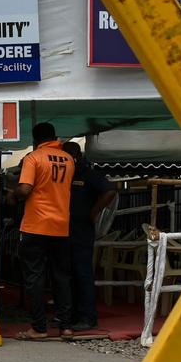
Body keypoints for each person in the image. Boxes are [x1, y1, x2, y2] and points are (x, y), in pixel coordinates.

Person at [6, 122, 75, 340]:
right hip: (61, 226)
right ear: (54, 136)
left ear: (35, 140)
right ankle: (66, 327)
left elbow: (25, 189)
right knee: (61, 277)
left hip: (36, 225)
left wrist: (12, 194)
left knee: (34, 278)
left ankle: (39, 327)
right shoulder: (69, 159)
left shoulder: (33, 158)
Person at [61, 141, 117, 332]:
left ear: (76, 157)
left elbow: (110, 190)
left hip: (81, 232)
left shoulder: (89, 174)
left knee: (82, 274)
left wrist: (94, 212)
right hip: (63, 231)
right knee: (68, 276)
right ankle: (70, 316)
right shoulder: (66, 174)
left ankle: (87, 317)